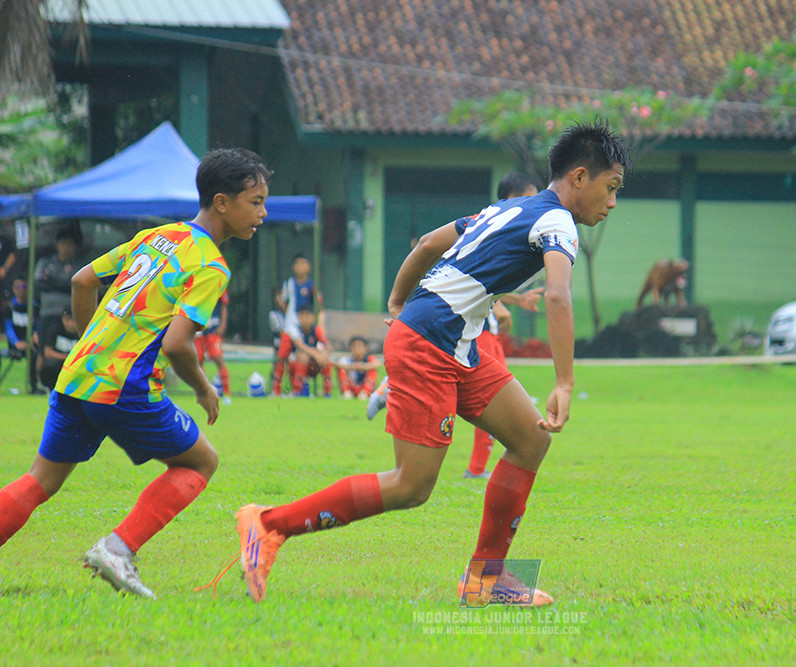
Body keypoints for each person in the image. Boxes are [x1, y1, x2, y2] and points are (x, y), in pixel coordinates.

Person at [228, 122, 631, 605]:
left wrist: (398, 301)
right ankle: (268, 524)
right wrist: (564, 382)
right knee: (412, 485)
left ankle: (485, 580)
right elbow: (559, 298)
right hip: (430, 347)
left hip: (455, 344)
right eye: (611, 188)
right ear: (581, 177)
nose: (612, 203)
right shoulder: (558, 221)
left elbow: (425, 244)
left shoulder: (507, 208)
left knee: (530, 439)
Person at [0, 147, 271, 598]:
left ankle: (116, 549)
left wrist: (95, 341)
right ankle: (117, 549)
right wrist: (204, 389)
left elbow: (83, 280)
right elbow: (178, 344)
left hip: (78, 374)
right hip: (123, 386)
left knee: (39, 480)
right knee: (202, 461)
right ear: (222, 202)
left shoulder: (157, 235)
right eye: (256, 201)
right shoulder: (209, 264)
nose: (263, 212)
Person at [366, 173, 544, 480]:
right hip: (465, 331)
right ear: (514, 198)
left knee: (514, 420)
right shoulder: (495, 223)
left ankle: (476, 467)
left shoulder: (498, 223)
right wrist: (501, 305)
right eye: (531, 196)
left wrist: (513, 301)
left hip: (458, 330)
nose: (537, 204)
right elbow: (475, 276)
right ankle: (475, 468)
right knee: (410, 485)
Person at [33, 227, 86, 394]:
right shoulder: (46, 262)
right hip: (47, 312)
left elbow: (76, 284)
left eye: (70, 244)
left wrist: (55, 282)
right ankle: (39, 384)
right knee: (42, 348)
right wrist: (62, 284)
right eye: (63, 243)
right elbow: (40, 282)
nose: (66, 247)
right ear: (57, 244)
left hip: (69, 314)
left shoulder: (77, 265)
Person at [271, 254, 322, 395]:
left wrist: (313, 321)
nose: (300, 267)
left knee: (303, 356)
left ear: (308, 267)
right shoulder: (289, 284)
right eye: (298, 264)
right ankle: (276, 390)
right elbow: (285, 303)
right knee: (282, 355)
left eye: (303, 264)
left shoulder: (312, 285)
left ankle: (300, 389)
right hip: (291, 325)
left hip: (306, 326)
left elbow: (318, 304)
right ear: (293, 267)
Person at [195, 291, 232, 405]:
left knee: (217, 357)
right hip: (199, 329)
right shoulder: (194, 280)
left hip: (213, 328)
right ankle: (204, 393)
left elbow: (224, 305)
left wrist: (223, 325)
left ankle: (226, 393)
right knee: (198, 361)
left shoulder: (218, 280)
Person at [289, 306, 333, 397]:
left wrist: (324, 354)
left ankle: (327, 392)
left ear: (313, 317)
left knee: (325, 360)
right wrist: (317, 355)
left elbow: (328, 345)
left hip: (312, 363)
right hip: (295, 362)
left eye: (308, 316)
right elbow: (301, 346)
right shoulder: (294, 329)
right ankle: (298, 391)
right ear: (298, 317)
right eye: (302, 316)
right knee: (303, 357)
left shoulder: (316, 329)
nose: (305, 319)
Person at [38, 309, 79, 391]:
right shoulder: (55, 329)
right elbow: (47, 353)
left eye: (73, 320)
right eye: (68, 320)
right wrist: (67, 357)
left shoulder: (83, 332)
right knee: (50, 365)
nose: (71, 324)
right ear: (63, 319)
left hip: (76, 366)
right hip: (59, 364)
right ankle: (49, 387)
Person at [336, 335, 378, 399]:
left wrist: (362, 366)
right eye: (354, 347)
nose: (356, 349)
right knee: (341, 370)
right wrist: (352, 367)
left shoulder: (368, 359)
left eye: (359, 347)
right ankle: (346, 392)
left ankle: (365, 393)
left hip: (363, 386)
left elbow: (378, 364)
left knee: (372, 370)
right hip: (352, 386)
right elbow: (338, 364)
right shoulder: (347, 359)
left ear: (365, 348)